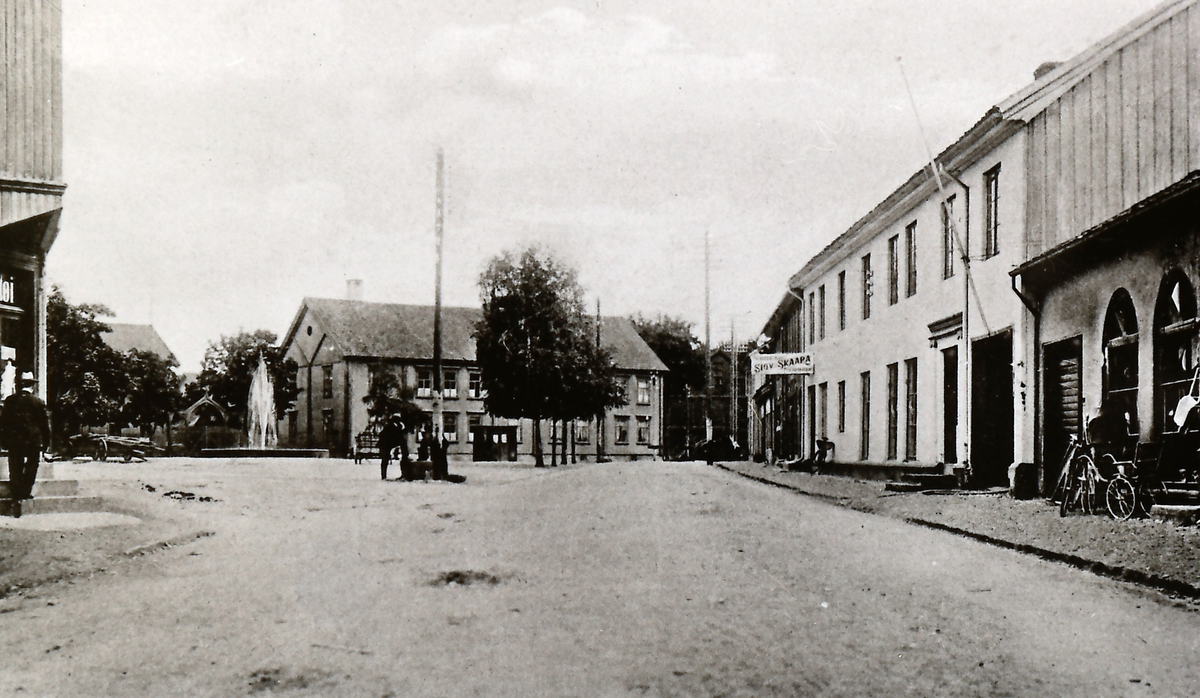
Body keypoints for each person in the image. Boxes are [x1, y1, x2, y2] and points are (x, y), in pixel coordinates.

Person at [1, 372, 50, 517]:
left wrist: (3, 440)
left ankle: (16, 493)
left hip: (14, 440)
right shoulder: (38, 402)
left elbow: (3, 423)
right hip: (32, 441)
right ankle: (26, 490)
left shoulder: (10, 401)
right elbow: (44, 425)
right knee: (32, 465)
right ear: (32, 386)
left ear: (19, 385)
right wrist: (46, 442)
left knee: (15, 466)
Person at [377, 414, 406, 481]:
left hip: (388, 444)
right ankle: (383, 475)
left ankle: (384, 475)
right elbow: (396, 435)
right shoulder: (391, 426)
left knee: (385, 460)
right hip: (385, 444)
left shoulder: (394, 426)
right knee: (385, 459)